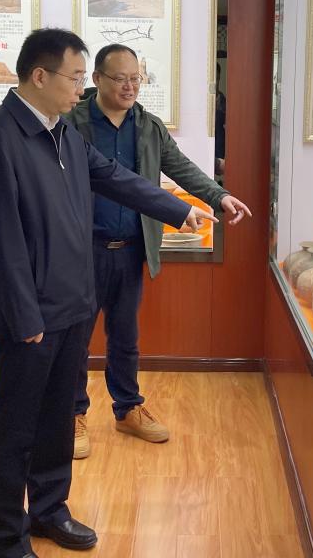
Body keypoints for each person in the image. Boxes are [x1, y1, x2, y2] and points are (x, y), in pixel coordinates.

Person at [0, 27, 215, 558]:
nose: (81, 88)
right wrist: (22, 314)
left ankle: (50, 510)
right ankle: (6, 537)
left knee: (58, 419)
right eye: (76, 77)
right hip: (31, 317)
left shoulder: (62, 132)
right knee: (15, 428)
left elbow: (115, 177)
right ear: (40, 76)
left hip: (73, 303)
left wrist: (180, 210)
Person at [66, 44, 251, 457]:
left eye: (136, 78)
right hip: (83, 249)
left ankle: (128, 408)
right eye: (120, 78)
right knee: (76, 337)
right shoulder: (73, 122)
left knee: (125, 335)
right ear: (97, 79)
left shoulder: (148, 126)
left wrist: (218, 196)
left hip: (131, 249)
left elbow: (180, 167)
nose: (130, 86)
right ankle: (72, 413)